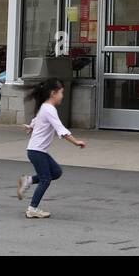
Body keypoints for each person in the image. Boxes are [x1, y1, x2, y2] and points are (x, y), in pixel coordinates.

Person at [16, 78, 86, 218]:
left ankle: (28, 180)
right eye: (61, 92)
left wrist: (31, 126)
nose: (62, 96)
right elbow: (60, 129)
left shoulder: (45, 108)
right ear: (53, 93)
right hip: (37, 151)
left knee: (56, 172)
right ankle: (32, 209)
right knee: (45, 179)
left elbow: (38, 120)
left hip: (37, 151)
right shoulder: (49, 109)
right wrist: (76, 141)